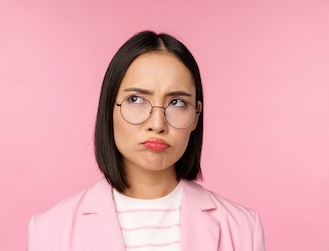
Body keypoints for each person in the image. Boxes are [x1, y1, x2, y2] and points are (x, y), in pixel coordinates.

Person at [27, 30, 265, 251]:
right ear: (109, 108)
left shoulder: (243, 228)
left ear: (196, 116)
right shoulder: (49, 230)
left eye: (177, 103)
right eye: (136, 100)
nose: (157, 124)